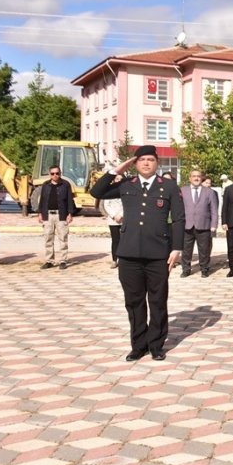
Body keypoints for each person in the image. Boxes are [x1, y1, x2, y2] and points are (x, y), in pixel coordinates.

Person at [89, 145, 185, 362]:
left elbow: (179, 219)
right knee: (134, 302)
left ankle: (156, 345)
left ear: (157, 163)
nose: (146, 163)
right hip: (129, 253)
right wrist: (118, 170)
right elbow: (96, 192)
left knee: (158, 301)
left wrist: (177, 248)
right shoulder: (126, 184)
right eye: (141, 160)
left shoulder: (168, 186)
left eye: (150, 159)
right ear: (135, 163)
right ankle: (138, 345)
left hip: (158, 254)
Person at [180, 169, 218, 278]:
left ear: (201, 178)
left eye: (198, 176)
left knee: (204, 250)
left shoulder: (209, 192)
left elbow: (214, 210)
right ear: (189, 178)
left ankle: (204, 269)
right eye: (194, 176)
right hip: (187, 225)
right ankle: (186, 269)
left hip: (204, 225)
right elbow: (179, 209)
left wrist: (214, 225)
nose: (196, 178)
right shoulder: (183, 191)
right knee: (186, 250)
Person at [37, 165, 77, 270]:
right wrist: (40, 213)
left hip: (61, 214)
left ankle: (63, 260)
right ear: (49, 174)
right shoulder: (45, 185)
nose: (55, 175)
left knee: (63, 237)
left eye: (57, 173)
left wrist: (70, 213)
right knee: (48, 238)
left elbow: (69, 200)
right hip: (48, 215)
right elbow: (42, 200)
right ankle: (49, 260)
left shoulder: (65, 184)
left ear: (60, 173)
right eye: (53, 173)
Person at [99, 175, 124, 269]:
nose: (118, 181)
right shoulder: (109, 191)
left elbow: (128, 204)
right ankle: (114, 260)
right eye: (117, 179)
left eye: (120, 179)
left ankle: (123, 260)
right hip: (113, 219)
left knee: (124, 240)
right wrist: (114, 215)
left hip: (124, 218)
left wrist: (121, 215)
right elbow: (106, 205)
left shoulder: (126, 190)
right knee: (115, 240)